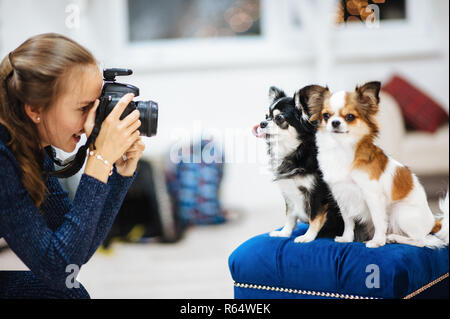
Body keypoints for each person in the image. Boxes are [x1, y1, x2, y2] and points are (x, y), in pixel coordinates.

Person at [0, 33, 145, 298]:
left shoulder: (29, 145)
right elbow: (58, 266)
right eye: (84, 107)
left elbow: (73, 250)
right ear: (35, 109)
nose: (93, 119)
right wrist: (98, 161)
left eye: (96, 105)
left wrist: (119, 173)